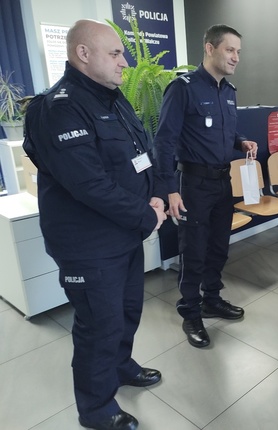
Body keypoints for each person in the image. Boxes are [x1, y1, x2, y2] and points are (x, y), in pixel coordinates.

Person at [23, 19, 167, 430]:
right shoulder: (58, 107)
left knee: (127, 311)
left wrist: (155, 193)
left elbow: (144, 149)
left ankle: (121, 366)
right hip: (88, 244)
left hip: (124, 234)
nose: (126, 62)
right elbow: (90, 184)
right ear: (82, 54)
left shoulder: (113, 97)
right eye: (115, 53)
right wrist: (146, 215)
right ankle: (97, 409)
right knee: (98, 326)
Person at [153, 24, 258, 349]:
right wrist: (170, 189)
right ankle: (190, 312)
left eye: (238, 51)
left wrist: (240, 142)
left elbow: (225, 132)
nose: (236, 57)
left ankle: (212, 298)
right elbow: (164, 142)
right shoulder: (183, 88)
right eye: (230, 50)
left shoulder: (228, 91)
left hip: (222, 181)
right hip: (193, 184)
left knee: (218, 247)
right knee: (194, 250)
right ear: (210, 49)